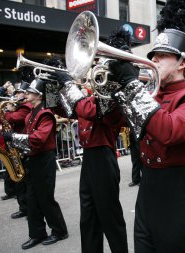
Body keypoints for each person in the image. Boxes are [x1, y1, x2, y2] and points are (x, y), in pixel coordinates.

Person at [104, 0, 185, 250]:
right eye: (153, 55)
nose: (153, 60)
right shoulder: (152, 93)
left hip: (181, 197)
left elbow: (169, 130)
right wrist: (114, 87)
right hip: (148, 193)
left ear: (182, 63)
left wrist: (131, 85)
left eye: (162, 55)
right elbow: (113, 121)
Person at [50, 30, 129, 252]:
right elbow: (67, 110)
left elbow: (88, 110)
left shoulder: (113, 95)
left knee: (110, 217)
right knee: (88, 217)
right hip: (90, 159)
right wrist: (51, 87)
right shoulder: (94, 94)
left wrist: (68, 84)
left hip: (103, 157)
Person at [3, 78, 68, 250]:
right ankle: (37, 234)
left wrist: (14, 138)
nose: (26, 94)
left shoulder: (45, 113)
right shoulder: (32, 112)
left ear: (39, 96)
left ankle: (60, 231)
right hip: (32, 158)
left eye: (30, 92)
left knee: (46, 199)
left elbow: (38, 139)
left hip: (44, 159)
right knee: (32, 200)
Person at [0, 81, 32, 218]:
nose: (16, 95)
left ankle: (29, 209)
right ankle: (23, 208)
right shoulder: (18, 106)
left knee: (25, 181)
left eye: (19, 93)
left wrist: (7, 109)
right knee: (19, 182)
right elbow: (3, 120)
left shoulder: (26, 107)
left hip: (23, 146)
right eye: (15, 93)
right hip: (15, 145)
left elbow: (14, 118)